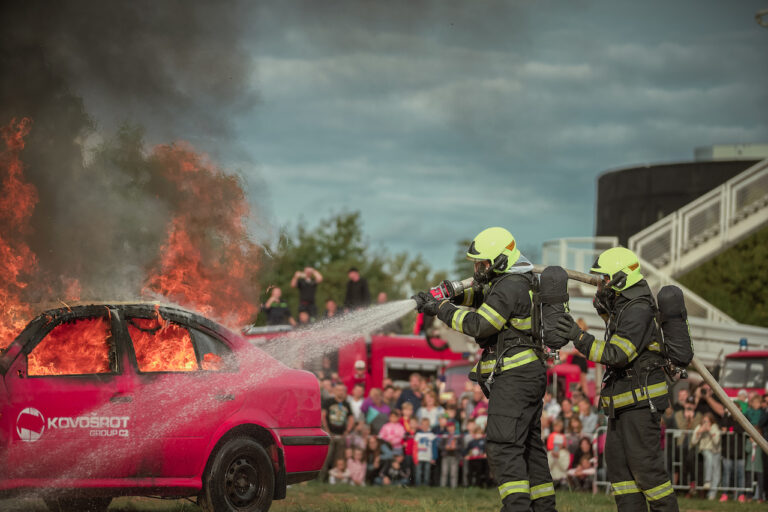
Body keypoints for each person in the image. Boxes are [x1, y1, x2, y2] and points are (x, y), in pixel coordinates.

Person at [413, 227, 555, 511]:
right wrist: (449, 295)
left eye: (482, 264)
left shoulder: (510, 285)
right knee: (528, 447)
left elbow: (480, 324)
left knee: (503, 445)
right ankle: (543, 507)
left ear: (500, 261)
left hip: (514, 378)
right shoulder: (516, 282)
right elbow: (481, 298)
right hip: (527, 376)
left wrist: (440, 309)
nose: (478, 269)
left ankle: (516, 507)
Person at [555, 246, 678, 511]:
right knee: (622, 477)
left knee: (649, 475)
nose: (602, 284)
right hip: (621, 404)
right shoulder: (624, 308)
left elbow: (617, 354)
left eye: (606, 279)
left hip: (641, 404)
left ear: (622, 279)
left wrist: (578, 337)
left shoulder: (638, 310)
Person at [320, 384, 355, 482]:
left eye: (342, 390)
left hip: (341, 435)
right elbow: (323, 416)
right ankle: (321, 478)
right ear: (334, 391)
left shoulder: (347, 404)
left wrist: (347, 430)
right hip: (330, 434)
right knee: (327, 457)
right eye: (338, 390)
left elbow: (351, 418)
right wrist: (326, 430)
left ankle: (334, 480)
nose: (340, 392)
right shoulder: (328, 402)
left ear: (345, 392)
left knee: (339, 458)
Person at [691, 412, 721, 500]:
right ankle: (707, 481)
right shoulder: (699, 427)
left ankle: (712, 494)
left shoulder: (715, 427)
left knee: (716, 473)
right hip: (705, 450)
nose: (705, 424)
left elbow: (716, 441)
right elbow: (693, 442)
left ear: (711, 422)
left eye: (707, 422)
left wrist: (710, 431)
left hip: (716, 451)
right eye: (704, 421)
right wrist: (699, 433)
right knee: (709, 457)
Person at [414, 418, 438, 486]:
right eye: (423, 424)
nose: (424, 426)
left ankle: (425, 485)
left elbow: (434, 447)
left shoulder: (431, 435)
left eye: (426, 425)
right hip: (419, 457)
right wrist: (415, 457)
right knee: (418, 472)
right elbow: (415, 447)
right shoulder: (418, 434)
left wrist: (434, 457)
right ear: (420, 425)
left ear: (429, 425)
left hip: (428, 457)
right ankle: (418, 485)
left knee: (427, 472)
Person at [439, 420, 463, 488]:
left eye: (452, 426)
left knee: (454, 473)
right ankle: (442, 487)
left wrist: (456, 447)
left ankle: (453, 487)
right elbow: (440, 446)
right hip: (446, 456)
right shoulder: (445, 436)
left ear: (454, 427)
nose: (450, 428)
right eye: (449, 427)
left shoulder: (458, 436)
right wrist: (445, 447)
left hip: (455, 456)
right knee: (444, 472)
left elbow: (462, 446)